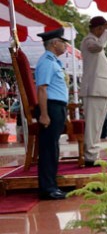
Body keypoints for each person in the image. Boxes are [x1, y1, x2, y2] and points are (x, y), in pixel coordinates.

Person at [34, 28, 69, 200]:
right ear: (55, 43)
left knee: (53, 147)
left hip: (57, 106)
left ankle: (52, 185)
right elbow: (42, 88)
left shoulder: (53, 61)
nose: (65, 46)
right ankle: (47, 188)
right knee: (48, 149)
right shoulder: (47, 62)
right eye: (63, 42)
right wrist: (44, 114)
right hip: (51, 107)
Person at [81, 16, 107, 166]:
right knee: (93, 125)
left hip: (98, 89)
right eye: (105, 28)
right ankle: (90, 155)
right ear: (99, 29)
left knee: (97, 125)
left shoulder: (93, 42)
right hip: (94, 89)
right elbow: (98, 47)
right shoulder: (89, 41)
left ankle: (92, 154)